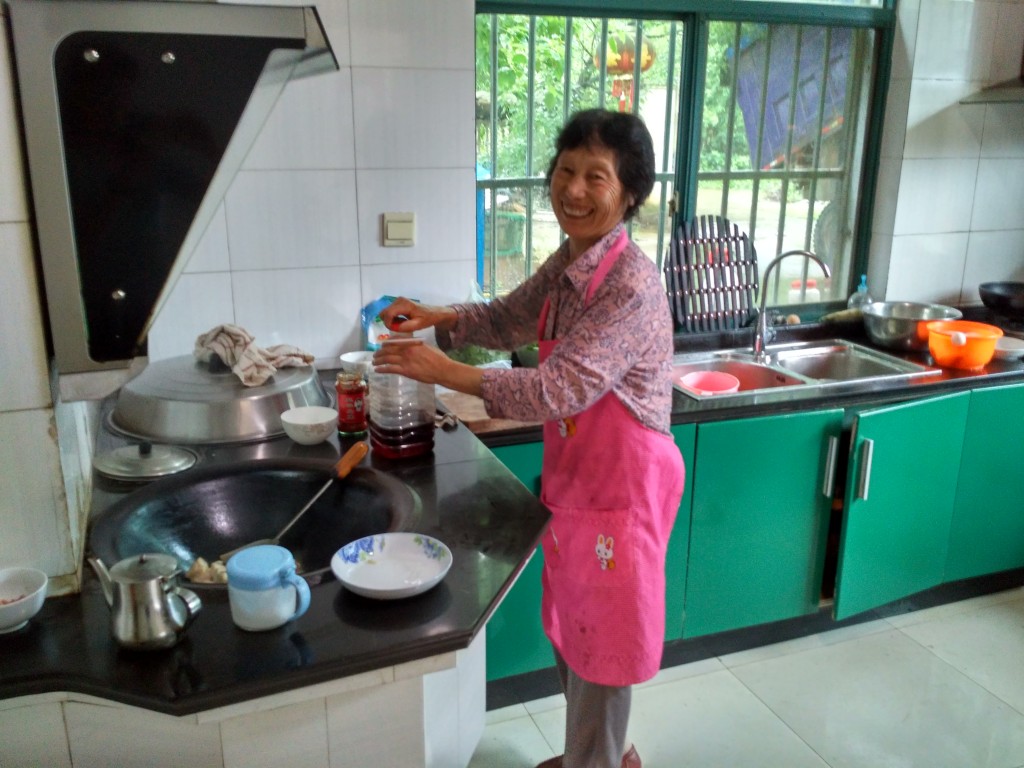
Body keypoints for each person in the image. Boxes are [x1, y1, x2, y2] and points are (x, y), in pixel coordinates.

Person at [373, 108, 684, 768]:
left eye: (595, 176)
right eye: (566, 171)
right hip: (580, 479)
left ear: (629, 192)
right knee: (578, 629)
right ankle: (594, 755)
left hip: (623, 489)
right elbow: (509, 315)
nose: (573, 189)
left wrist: (444, 371)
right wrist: (441, 319)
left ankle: (595, 761)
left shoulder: (630, 284)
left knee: (606, 643)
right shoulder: (572, 264)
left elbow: (557, 390)